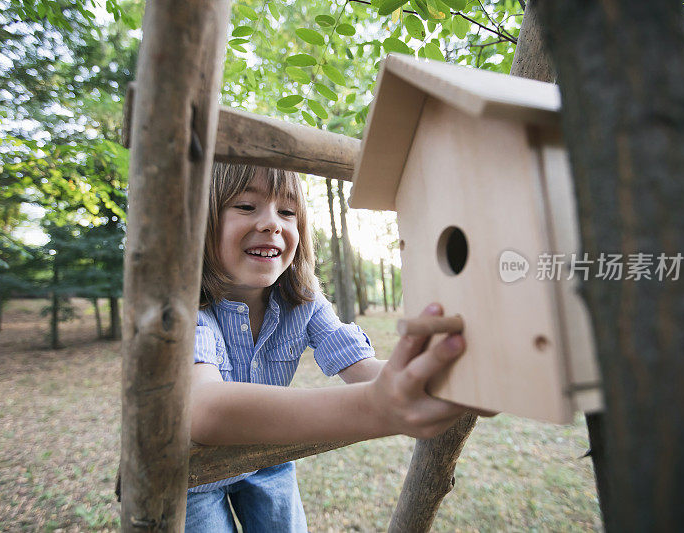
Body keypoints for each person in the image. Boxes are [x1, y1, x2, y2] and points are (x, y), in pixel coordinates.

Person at [185, 163, 473, 532]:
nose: (272, 223)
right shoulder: (186, 306)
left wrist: (447, 374)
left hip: (263, 461)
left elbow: (362, 367)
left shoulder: (303, 301)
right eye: (246, 206)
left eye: (287, 212)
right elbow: (205, 411)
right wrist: (375, 407)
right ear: (203, 221)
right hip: (190, 476)